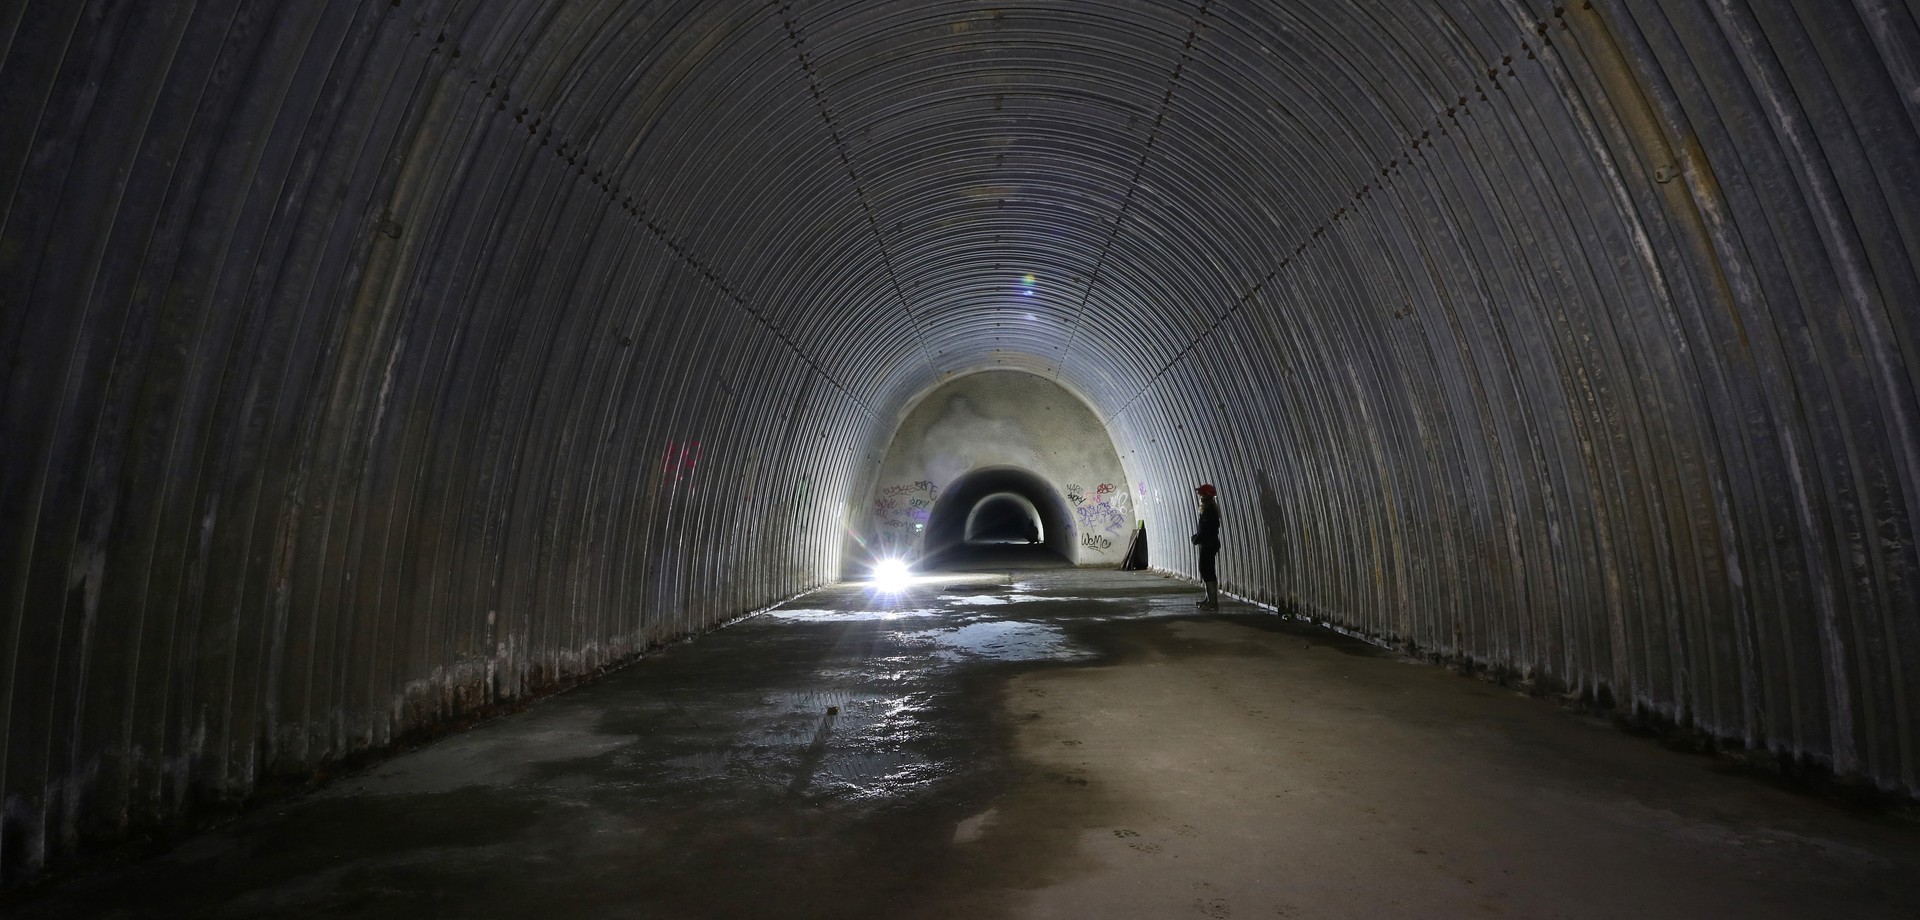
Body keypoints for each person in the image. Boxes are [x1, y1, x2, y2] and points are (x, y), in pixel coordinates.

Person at [1191, 483, 1221, 605]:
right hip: (1210, 543)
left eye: (1201, 495)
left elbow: (1206, 530)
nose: (1200, 497)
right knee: (1208, 570)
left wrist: (1197, 539)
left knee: (1206, 570)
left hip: (1209, 544)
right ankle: (1209, 599)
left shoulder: (1209, 512)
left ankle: (1212, 602)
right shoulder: (1210, 510)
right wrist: (1197, 537)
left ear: (1205, 497)